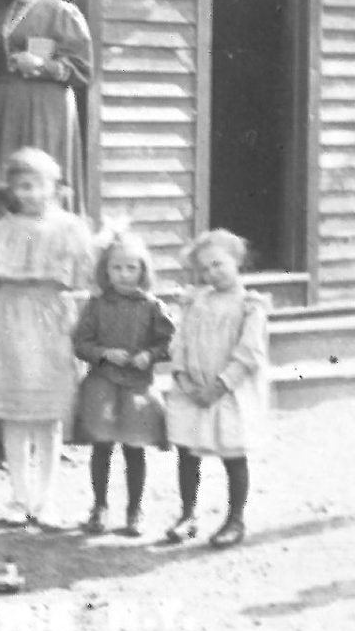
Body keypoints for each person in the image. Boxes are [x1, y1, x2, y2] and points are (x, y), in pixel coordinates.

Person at [0, 148, 93, 529]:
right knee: (15, 412)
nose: (31, 194)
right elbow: (0, 268)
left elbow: (83, 274)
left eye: (39, 185)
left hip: (53, 316)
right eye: (23, 186)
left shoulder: (71, 227)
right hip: (12, 317)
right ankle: (19, 496)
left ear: (54, 186)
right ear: (12, 190)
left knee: (49, 413)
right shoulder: (1, 229)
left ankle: (46, 499)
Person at [0, 0, 94, 216]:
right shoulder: (3, 14)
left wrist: (41, 65)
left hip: (45, 109)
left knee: (39, 172)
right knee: (5, 175)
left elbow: (83, 70)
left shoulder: (61, 12)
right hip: (6, 108)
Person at [164, 229, 269, 549]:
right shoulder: (195, 302)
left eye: (218, 264)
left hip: (227, 391)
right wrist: (184, 379)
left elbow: (249, 354)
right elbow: (179, 342)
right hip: (193, 389)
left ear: (237, 260)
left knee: (232, 454)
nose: (212, 273)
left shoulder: (249, 306)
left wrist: (220, 386)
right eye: (204, 269)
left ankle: (235, 519)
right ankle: (188, 515)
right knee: (187, 451)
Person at [73, 233, 175, 537]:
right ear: (105, 270)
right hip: (102, 383)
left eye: (132, 268)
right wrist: (104, 353)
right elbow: (81, 343)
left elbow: (169, 342)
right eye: (116, 268)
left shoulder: (152, 306)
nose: (124, 274)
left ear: (143, 271)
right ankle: (99, 506)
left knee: (134, 447)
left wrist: (149, 355)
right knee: (102, 445)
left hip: (137, 386)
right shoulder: (96, 305)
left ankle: (134, 510)